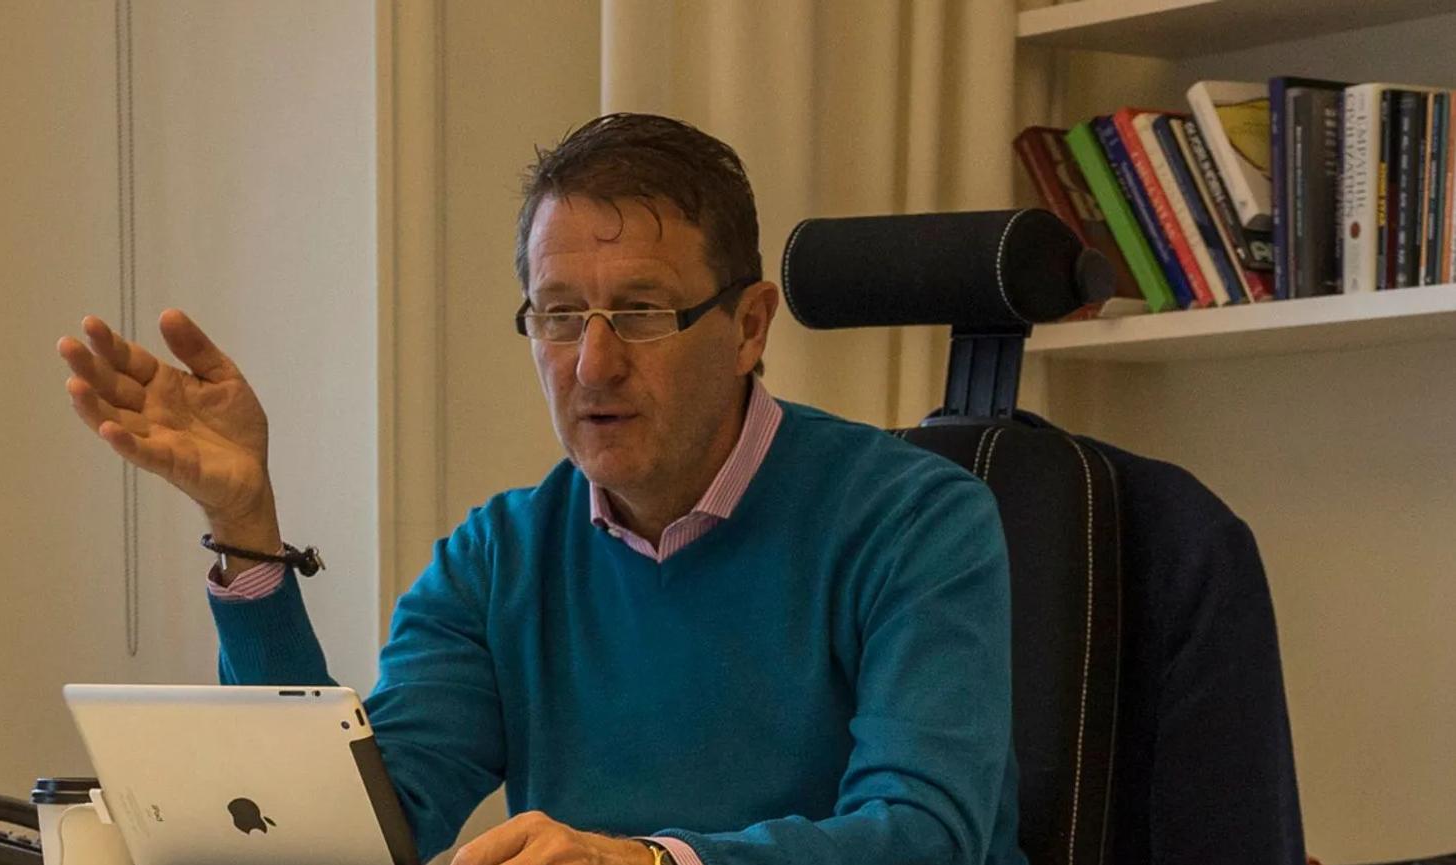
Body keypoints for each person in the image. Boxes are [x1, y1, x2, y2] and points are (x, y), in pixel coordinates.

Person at [58, 113, 1026, 865]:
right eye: (558, 315)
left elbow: (925, 830)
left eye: (640, 312)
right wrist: (245, 524)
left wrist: (648, 859)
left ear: (749, 326)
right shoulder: (497, 555)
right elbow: (356, 830)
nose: (591, 363)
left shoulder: (914, 519)